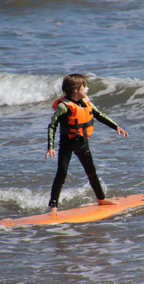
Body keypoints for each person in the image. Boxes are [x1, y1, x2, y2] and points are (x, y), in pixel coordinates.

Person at [45, 73, 129, 216]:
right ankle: (53, 207)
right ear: (75, 89)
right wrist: (51, 147)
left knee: (92, 172)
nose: (88, 88)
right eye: (85, 86)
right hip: (67, 144)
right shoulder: (64, 107)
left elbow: (100, 115)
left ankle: (101, 199)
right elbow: (52, 126)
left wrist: (116, 127)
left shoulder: (86, 102)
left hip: (83, 144)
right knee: (61, 174)